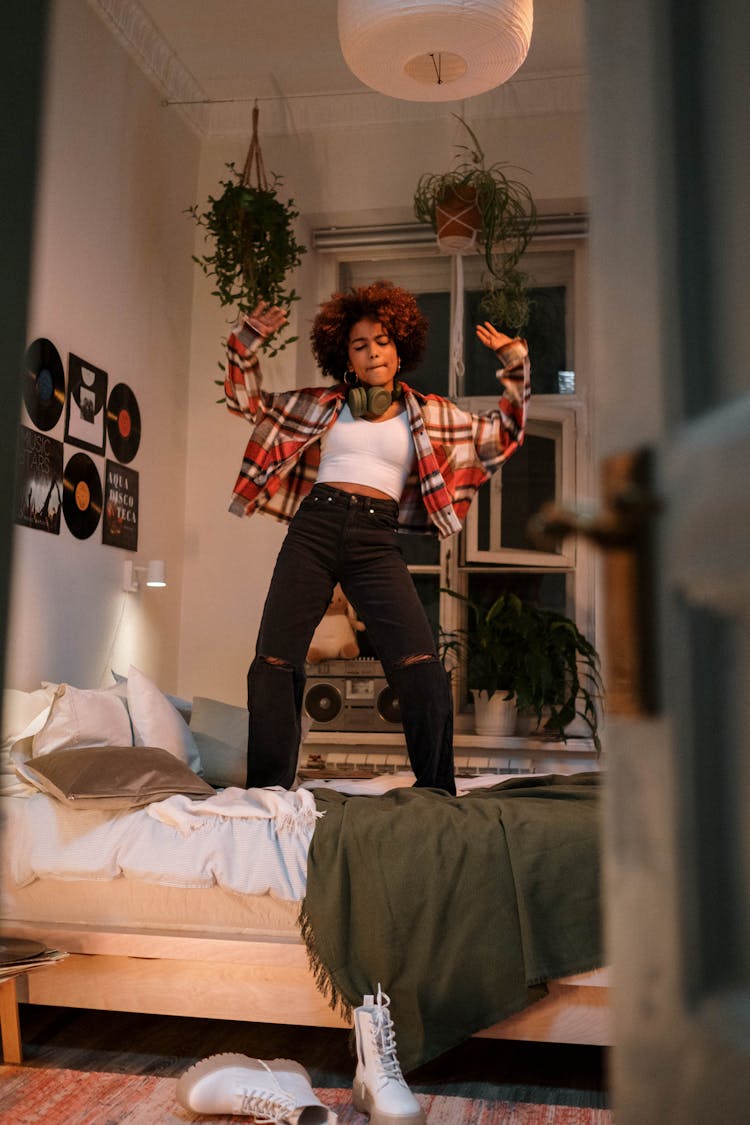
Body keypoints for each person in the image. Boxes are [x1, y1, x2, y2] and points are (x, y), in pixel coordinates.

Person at [224, 281, 530, 796]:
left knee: (421, 668)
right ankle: (269, 795)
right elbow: (245, 399)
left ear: (399, 346)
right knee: (274, 661)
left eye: (382, 340)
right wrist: (246, 338)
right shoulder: (321, 404)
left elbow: (503, 436)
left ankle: (437, 792)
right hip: (315, 528)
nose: (372, 352)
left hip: (375, 538)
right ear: (344, 354)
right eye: (359, 344)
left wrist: (516, 363)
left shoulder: (430, 414)